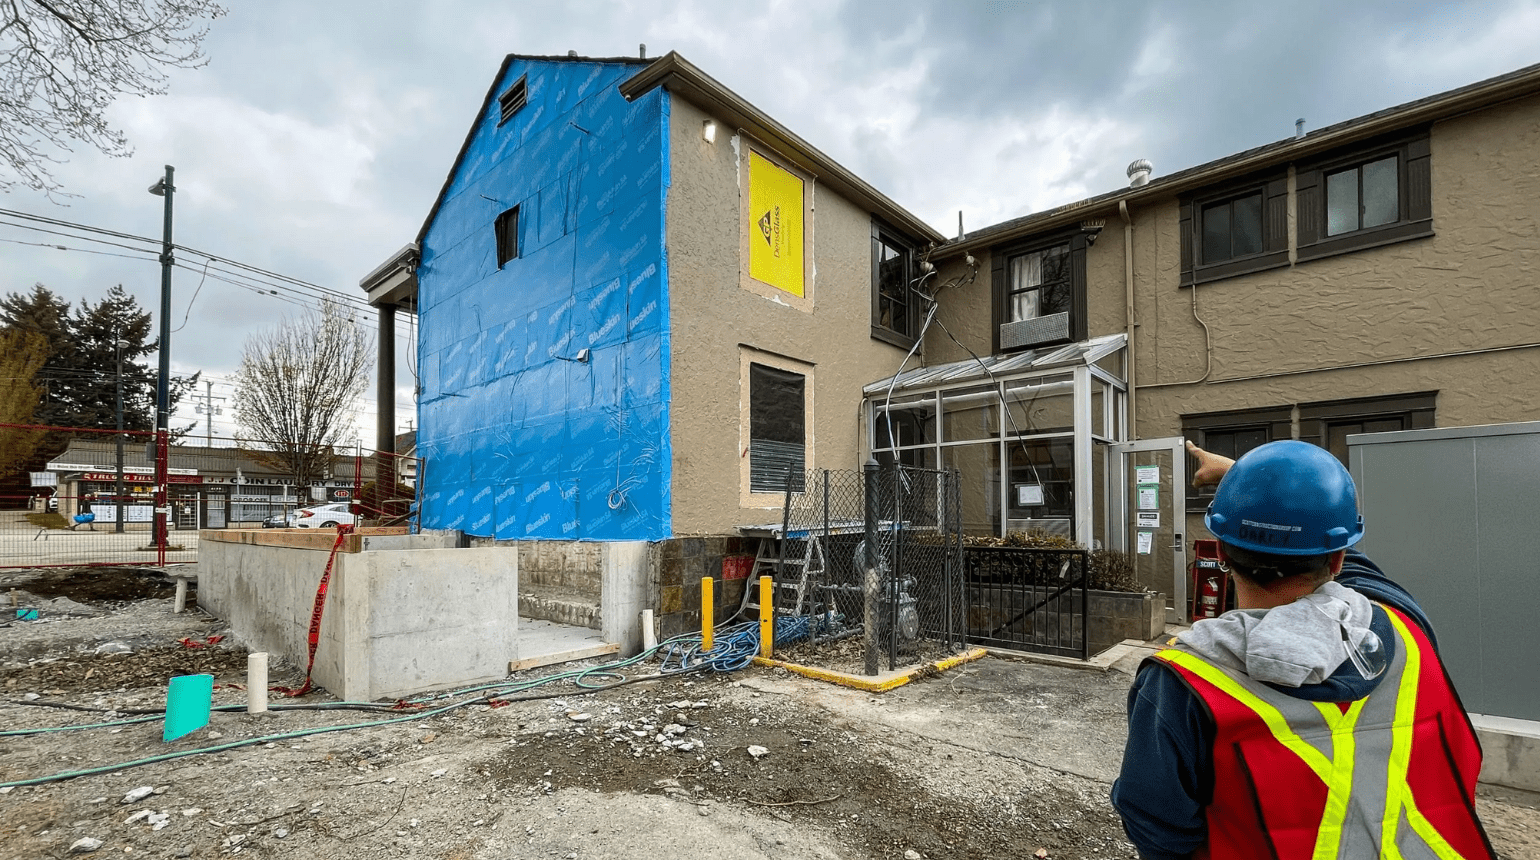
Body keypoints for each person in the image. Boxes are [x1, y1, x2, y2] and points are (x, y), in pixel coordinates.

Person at [1111, 440, 1494, 859]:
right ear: (1337, 560)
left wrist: (1251, 489)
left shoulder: (1181, 681)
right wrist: (1267, 488)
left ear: (1219, 550)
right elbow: (1345, 556)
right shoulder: (1405, 625)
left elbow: (1157, 827)